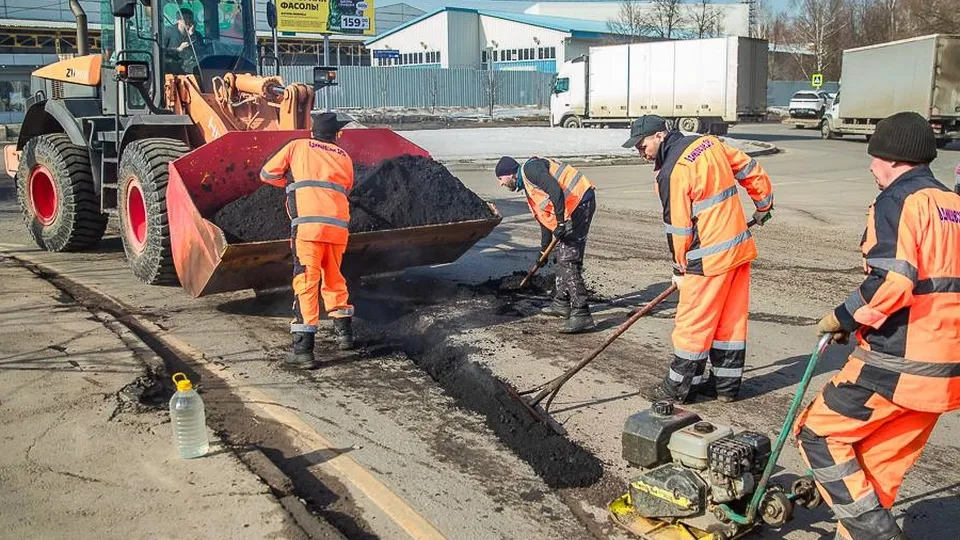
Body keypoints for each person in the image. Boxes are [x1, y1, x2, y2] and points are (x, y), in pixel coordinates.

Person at [795, 112, 960, 540]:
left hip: (897, 367)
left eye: (874, 157)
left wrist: (843, 316)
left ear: (891, 158)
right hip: (945, 374)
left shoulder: (899, 201)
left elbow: (892, 281)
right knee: (875, 470)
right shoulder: (953, 205)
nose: (870, 167)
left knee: (818, 435)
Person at [622, 115, 774, 403]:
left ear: (659, 136)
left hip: (707, 261)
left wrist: (679, 268)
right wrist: (764, 203)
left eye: (641, 145)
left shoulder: (672, 172)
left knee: (693, 322)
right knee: (729, 321)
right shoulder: (707, 143)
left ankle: (677, 388)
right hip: (738, 250)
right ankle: (725, 388)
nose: (640, 152)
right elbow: (748, 167)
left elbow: (679, 229)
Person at [260, 112, 356, 369]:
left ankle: (303, 349)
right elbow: (346, 188)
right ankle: (345, 335)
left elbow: (267, 174)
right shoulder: (344, 156)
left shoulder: (297, 146)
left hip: (308, 229)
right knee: (334, 277)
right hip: (338, 227)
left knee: (306, 281)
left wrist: (291, 184)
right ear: (336, 135)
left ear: (313, 132)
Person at [495, 155, 598, 333]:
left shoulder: (530, 169)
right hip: (572, 207)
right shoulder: (528, 186)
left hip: (579, 202)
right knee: (559, 253)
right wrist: (544, 251)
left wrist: (560, 223)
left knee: (568, 259)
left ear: (510, 174)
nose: (500, 184)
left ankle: (581, 313)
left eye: (500, 179)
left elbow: (555, 190)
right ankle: (562, 302)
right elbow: (544, 219)